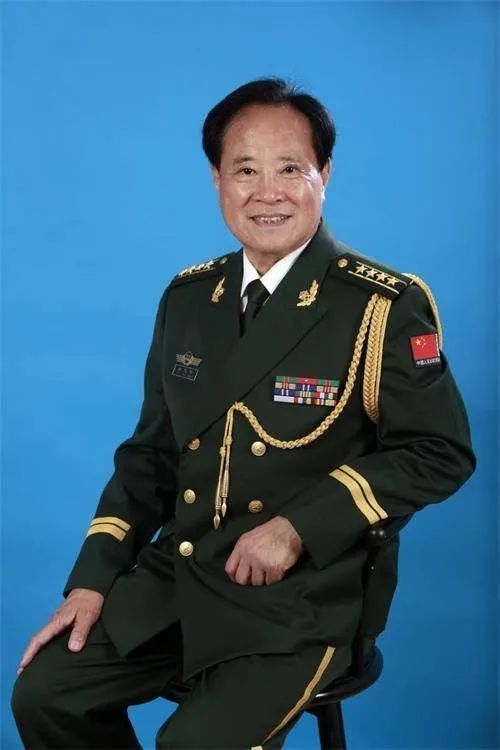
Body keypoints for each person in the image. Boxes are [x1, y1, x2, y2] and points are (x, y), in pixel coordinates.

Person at [11, 77, 475, 749]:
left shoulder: (382, 307)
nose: (267, 192)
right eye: (246, 170)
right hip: (185, 575)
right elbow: (149, 456)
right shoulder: (188, 299)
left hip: (302, 599)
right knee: (46, 694)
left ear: (324, 175)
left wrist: (297, 528)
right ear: (217, 180)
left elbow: (439, 451)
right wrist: (93, 579)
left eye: (290, 169)